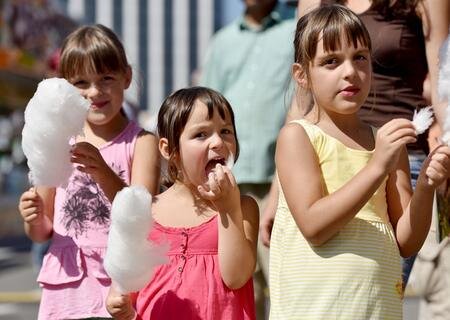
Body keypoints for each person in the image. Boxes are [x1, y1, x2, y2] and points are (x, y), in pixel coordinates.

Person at [268, 5, 450, 319]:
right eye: (331, 62)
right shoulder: (297, 137)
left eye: (360, 57)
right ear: (302, 75)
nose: (350, 71)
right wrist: (377, 165)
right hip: (313, 310)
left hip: (376, 309)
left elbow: (406, 240)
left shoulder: (389, 145)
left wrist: (426, 187)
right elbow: (314, 225)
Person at [18, 24, 160, 320]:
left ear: (127, 77)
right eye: (81, 82)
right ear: (65, 88)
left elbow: (142, 216)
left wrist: (104, 172)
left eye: (106, 78)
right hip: (66, 283)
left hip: (118, 283)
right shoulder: (57, 139)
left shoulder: (142, 142)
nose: (95, 91)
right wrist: (32, 216)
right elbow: (42, 232)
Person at [106, 87, 259, 320]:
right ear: (169, 149)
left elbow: (236, 276)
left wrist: (228, 208)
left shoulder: (243, 207)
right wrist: (118, 299)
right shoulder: (146, 212)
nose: (218, 141)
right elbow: (125, 282)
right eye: (201, 135)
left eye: (226, 131)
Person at [200, 1, 295, 317]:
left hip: (281, 182)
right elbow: (205, 107)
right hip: (230, 182)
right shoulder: (222, 41)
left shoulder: (294, 31)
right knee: (238, 288)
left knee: (285, 283)